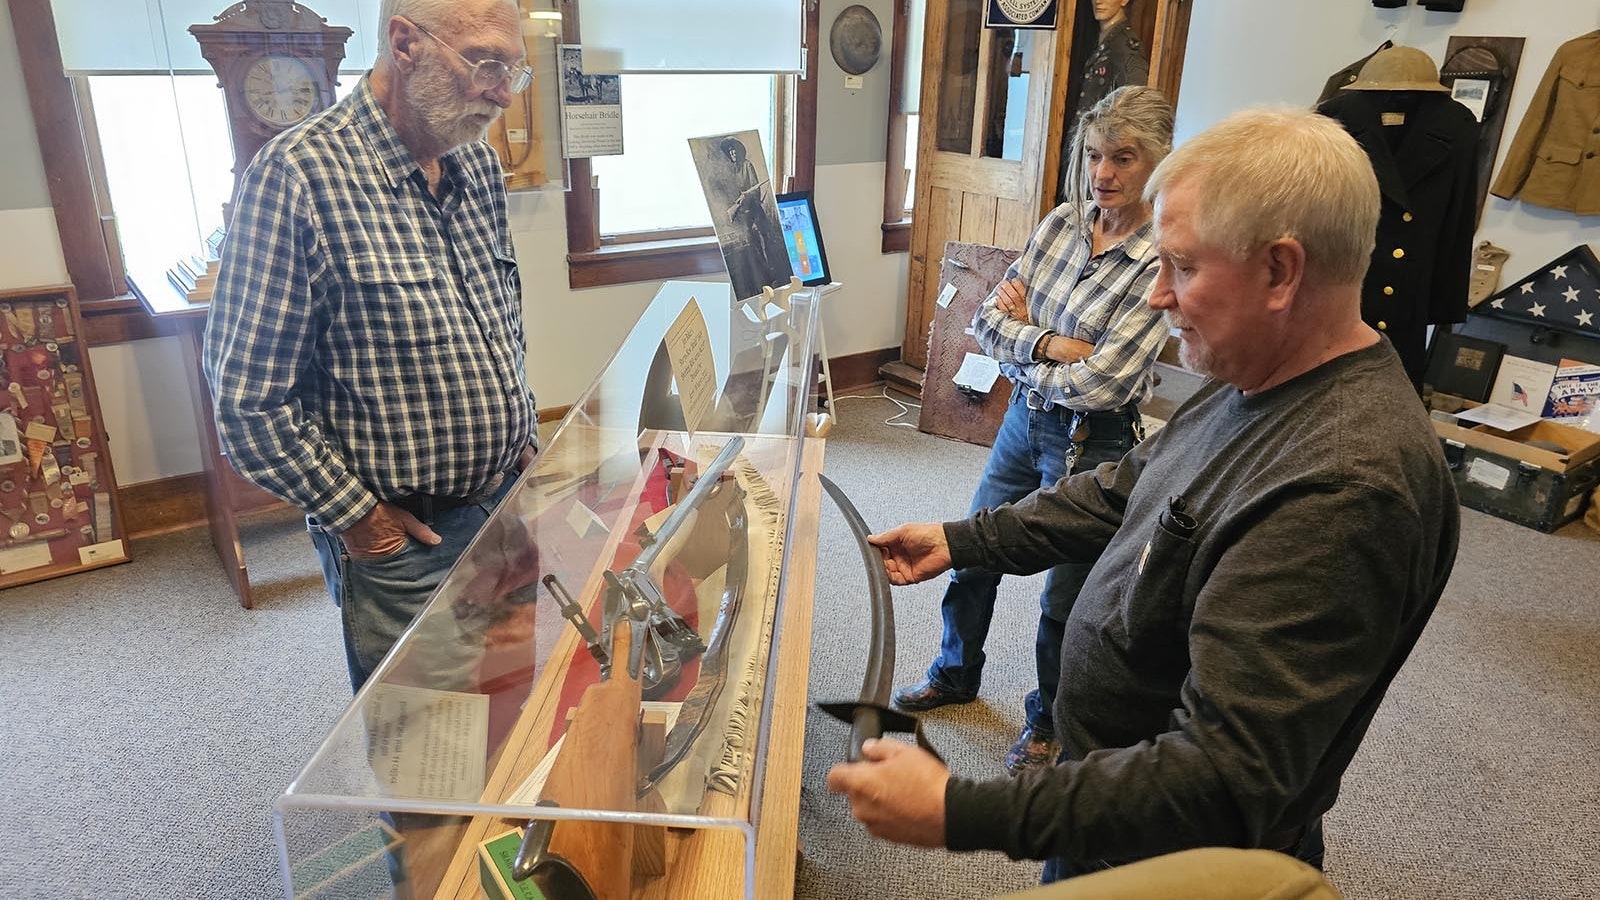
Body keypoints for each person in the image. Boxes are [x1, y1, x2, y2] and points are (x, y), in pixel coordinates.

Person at [829, 107, 1460, 880]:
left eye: (1182, 267)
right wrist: (967, 539)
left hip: (1168, 860)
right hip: (1111, 811)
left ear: (1280, 271)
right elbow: (1124, 491)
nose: (1157, 296)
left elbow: (1224, 776)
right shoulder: (1256, 379)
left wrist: (964, 812)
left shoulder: (1343, 487)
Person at [203, 0, 539, 691]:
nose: (502, 92)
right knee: (429, 753)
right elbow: (248, 404)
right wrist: (361, 521)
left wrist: (524, 439)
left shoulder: (474, 166)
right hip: (403, 537)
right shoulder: (296, 178)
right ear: (405, 43)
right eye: (485, 63)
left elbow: (499, 322)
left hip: (506, 505)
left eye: (513, 69)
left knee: (513, 708)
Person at [892, 85, 1176, 775]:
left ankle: (1047, 722)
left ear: (1159, 162)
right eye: (1093, 156)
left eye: (1123, 159)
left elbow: (1109, 382)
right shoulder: (1058, 225)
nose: (1102, 174)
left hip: (1097, 441)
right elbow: (987, 323)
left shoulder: (1162, 255)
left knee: (1065, 597)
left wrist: (1026, 342)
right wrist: (1054, 345)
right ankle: (955, 673)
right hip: (1025, 423)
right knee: (973, 550)